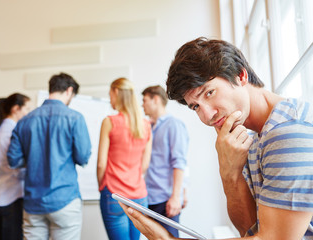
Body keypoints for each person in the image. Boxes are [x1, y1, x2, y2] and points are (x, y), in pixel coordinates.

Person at [119, 37, 313, 240]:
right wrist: (230, 172)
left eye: (209, 93)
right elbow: (248, 230)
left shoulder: (289, 133)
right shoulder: (250, 137)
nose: (207, 115)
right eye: (195, 106)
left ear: (240, 75)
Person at [7, 73, 92, 240]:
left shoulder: (24, 121)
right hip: (65, 199)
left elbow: (13, 160)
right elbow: (83, 157)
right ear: (69, 91)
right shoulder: (75, 118)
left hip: (33, 202)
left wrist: (34, 158)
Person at [97, 77, 153, 240]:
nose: (109, 99)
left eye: (110, 95)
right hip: (139, 195)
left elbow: (101, 164)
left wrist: (102, 185)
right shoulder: (145, 125)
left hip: (114, 194)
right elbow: (145, 164)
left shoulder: (109, 122)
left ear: (116, 92)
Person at [141, 85, 189, 238]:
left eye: (144, 100)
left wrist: (177, 196)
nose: (142, 105)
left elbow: (180, 162)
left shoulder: (173, 125)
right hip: (150, 197)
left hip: (166, 199)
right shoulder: (148, 127)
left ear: (156, 99)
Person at [0, 93, 31, 240]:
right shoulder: (14, 130)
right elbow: (16, 165)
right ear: (15, 109)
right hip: (12, 197)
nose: (28, 113)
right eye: (27, 109)